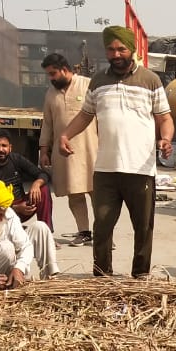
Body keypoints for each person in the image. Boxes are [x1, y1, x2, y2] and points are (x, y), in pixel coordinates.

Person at [57, 25, 173, 277]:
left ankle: (140, 274)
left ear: (131, 49)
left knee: (143, 226)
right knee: (102, 225)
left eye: (121, 49)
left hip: (140, 168)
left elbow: (164, 117)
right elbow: (85, 115)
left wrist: (165, 139)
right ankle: (102, 273)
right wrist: (65, 135)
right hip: (106, 170)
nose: (116, 54)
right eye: (111, 49)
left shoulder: (150, 80)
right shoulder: (98, 81)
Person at [39, 52, 98, 246]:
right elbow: (47, 123)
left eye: (53, 73)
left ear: (65, 70)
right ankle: (84, 232)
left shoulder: (88, 85)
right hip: (64, 152)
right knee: (74, 192)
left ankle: (103, 233)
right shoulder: (51, 93)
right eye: (48, 74)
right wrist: (44, 149)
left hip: (92, 150)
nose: (51, 78)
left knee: (97, 193)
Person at [0, 130, 55, 250]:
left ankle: (47, 236)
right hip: (0, 213)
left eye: (4, 146)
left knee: (43, 188)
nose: (1, 149)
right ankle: (13, 232)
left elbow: (43, 174)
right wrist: (15, 208)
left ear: (10, 147)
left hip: (23, 207)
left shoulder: (16, 159)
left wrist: (36, 184)